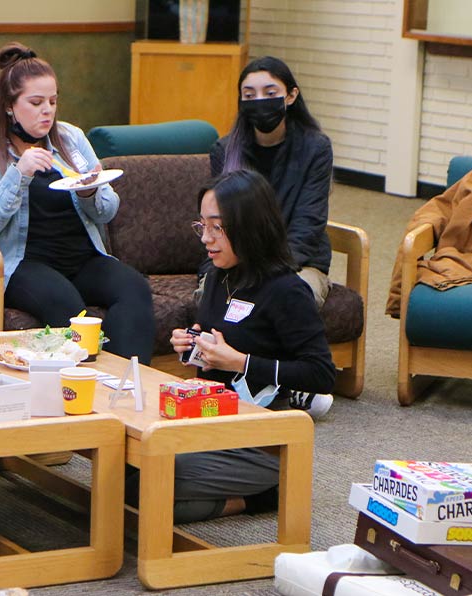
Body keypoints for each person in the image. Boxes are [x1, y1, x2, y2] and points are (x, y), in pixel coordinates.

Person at [126, 170, 336, 523]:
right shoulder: (219, 275)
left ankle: (261, 497)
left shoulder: (287, 291)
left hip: (263, 441)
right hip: (213, 421)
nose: (206, 239)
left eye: (217, 228)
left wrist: (241, 362)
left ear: (250, 226)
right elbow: (219, 349)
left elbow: (321, 375)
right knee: (125, 465)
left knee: (142, 487)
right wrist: (195, 346)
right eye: (202, 227)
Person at [0, 41, 155, 362]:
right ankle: (88, 386)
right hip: (21, 264)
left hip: (81, 257)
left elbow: (107, 210)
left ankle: (128, 385)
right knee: (70, 309)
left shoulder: (71, 138)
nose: (47, 110)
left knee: (134, 289)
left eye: (53, 101)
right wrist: (18, 175)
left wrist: (90, 192)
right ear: (9, 105)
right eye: (35, 102)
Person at [208, 56, 334, 308]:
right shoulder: (224, 149)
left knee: (288, 301)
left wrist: (265, 276)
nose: (260, 101)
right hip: (238, 262)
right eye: (249, 95)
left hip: (299, 262)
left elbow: (308, 225)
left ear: (291, 96)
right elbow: (216, 222)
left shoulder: (316, 148)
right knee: (211, 300)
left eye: (270, 92)